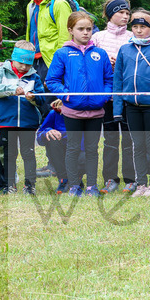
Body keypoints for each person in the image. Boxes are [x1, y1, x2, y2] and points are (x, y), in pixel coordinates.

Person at [45, 11, 113, 197]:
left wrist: (104, 97)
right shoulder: (62, 54)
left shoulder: (100, 54)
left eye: (89, 29)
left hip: (96, 111)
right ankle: (74, 185)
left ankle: (92, 186)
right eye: (80, 29)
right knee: (73, 148)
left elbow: (109, 79)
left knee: (92, 149)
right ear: (70, 30)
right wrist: (67, 96)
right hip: (72, 111)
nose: (85, 33)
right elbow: (52, 81)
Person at [112, 9, 150, 196]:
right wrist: (117, 109)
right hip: (132, 107)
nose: (139, 31)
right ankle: (140, 184)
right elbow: (118, 80)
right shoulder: (124, 49)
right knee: (136, 145)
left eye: (143, 27)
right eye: (135, 27)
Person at [91, 0, 136, 193]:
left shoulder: (132, 37)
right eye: (121, 13)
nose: (125, 16)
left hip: (127, 95)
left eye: (127, 13)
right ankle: (110, 179)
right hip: (106, 97)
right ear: (110, 15)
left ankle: (131, 178)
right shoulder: (97, 38)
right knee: (110, 139)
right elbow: (90, 63)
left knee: (129, 138)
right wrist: (104, 62)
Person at [0, 41, 44, 194]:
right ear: (13, 58)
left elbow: (42, 98)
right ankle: (9, 185)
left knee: (28, 153)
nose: (24, 67)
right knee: (9, 154)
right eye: (21, 63)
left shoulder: (34, 77)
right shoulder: (1, 72)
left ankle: (30, 185)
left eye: (28, 64)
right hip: (6, 121)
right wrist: (12, 90)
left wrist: (33, 98)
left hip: (27, 122)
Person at [21, 0, 73, 73]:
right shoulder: (31, 5)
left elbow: (66, 37)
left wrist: (59, 66)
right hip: (31, 63)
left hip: (51, 63)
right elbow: (29, 36)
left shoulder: (59, 4)